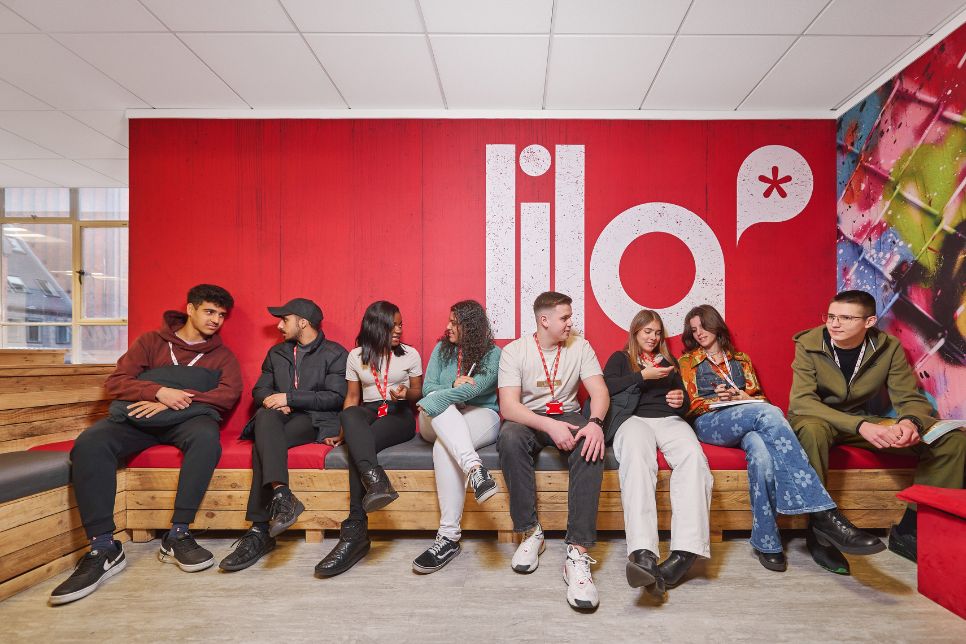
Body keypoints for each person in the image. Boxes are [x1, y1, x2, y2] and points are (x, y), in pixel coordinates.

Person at [50, 284, 242, 605]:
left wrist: (174, 400)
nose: (216, 320)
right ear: (190, 309)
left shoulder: (222, 356)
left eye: (222, 315)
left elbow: (228, 394)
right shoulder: (151, 342)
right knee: (90, 443)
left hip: (188, 421)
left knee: (207, 438)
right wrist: (158, 392)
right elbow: (116, 382)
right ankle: (103, 547)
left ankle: (178, 534)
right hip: (137, 420)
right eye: (210, 311)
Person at [678, 304, 884, 573]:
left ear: (715, 325)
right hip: (710, 422)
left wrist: (742, 396)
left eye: (703, 326)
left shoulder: (740, 359)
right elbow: (689, 405)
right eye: (693, 330)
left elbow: (759, 398)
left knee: (762, 453)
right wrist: (716, 399)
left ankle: (766, 541)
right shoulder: (688, 362)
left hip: (746, 417)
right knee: (771, 413)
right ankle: (822, 512)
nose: (699, 333)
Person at [789, 289, 966, 570]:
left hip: (863, 420)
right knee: (812, 430)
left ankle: (912, 531)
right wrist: (862, 426)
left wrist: (910, 422)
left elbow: (908, 398)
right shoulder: (809, 343)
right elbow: (802, 402)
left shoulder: (887, 347)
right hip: (818, 418)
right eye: (831, 316)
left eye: (846, 318)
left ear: (869, 322)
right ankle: (820, 531)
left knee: (952, 440)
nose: (835, 324)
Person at [497, 291, 609, 610]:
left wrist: (595, 423)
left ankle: (577, 553)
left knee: (591, 444)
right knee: (509, 437)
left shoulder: (580, 346)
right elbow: (509, 407)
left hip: (569, 415)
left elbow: (600, 392)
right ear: (544, 320)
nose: (571, 322)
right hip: (530, 418)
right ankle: (531, 532)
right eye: (565, 317)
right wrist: (548, 426)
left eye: (570, 316)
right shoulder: (515, 351)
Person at [220, 298, 348, 572]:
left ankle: (259, 531)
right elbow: (260, 390)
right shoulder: (277, 353)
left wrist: (290, 398)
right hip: (279, 418)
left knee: (263, 444)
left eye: (284, 320)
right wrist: (273, 401)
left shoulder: (335, 353)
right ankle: (283, 495)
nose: (279, 326)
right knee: (265, 418)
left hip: (313, 421)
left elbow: (336, 397)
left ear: (303, 322)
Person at [602, 309, 712, 596]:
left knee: (693, 458)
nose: (652, 337)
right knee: (637, 459)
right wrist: (642, 376)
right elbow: (606, 388)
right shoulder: (621, 358)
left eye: (657, 332)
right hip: (633, 420)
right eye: (647, 331)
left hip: (668, 420)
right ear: (635, 332)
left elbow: (684, 402)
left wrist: (679, 400)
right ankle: (644, 554)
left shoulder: (668, 362)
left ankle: (685, 553)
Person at [314, 301, 423, 577]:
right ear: (376, 326)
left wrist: (405, 393)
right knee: (350, 416)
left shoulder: (409, 354)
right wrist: (343, 434)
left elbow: (418, 393)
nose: (398, 330)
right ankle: (377, 482)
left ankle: (355, 531)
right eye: (393, 325)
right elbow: (352, 398)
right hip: (369, 410)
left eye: (400, 325)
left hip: (398, 414)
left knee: (361, 445)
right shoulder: (356, 356)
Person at [412, 300, 502, 573]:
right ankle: (475, 469)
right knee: (441, 408)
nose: (447, 327)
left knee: (444, 447)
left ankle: (448, 538)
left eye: (454, 323)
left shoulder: (493, 354)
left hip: (480, 414)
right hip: (436, 420)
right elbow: (427, 386)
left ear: (470, 326)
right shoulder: (442, 349)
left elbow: (475, 390)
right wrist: (450, 386)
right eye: (449, 321)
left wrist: (434, 399)